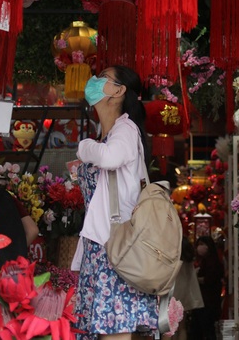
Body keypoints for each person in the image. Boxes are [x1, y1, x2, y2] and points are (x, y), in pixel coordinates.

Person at [73, 65, 158, 340]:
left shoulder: (125, 129)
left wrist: (83, 147)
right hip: (100, 248)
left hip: (114, 249)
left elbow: (109, 158)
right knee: (100, 330)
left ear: (119, 91)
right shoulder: (108, 135)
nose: (94, 82)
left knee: (113, 331)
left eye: (102, 79)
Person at [190, 236, 224, 340]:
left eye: (202, 244)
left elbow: (210, 279)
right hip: (204, 300)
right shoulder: (205, 260)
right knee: (201, 329)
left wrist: (196, 279)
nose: (199, 247)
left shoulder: (212, 261)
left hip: (207, 301)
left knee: (206, 329)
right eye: (198, 245)